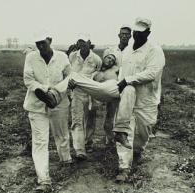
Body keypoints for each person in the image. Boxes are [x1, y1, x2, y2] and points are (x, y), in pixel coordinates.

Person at [113, 17, 166, 182]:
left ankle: (138, 150)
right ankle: (123, 167)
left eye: (141, 32)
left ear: (148, 33)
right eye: (135, 31)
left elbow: (152, 74)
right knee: (124, 130)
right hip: (128, 100)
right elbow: (122, 73)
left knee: (144, 132)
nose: (136, 35)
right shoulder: (127, 51)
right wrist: (120, 88)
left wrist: (128, 80)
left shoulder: (154, 51)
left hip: (146, 100)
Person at [23, 31, 73, 192]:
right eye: (37, 43)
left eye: (43, 42)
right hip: (37, 104)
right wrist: (44, 91)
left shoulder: (62, 57)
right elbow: (28, 80)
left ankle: (65, 159)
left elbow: (69, 76)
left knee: (62, 133)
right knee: (40, 142)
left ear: (50, 40)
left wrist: (61, 90)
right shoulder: (31, 57)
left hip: (59, 101)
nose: (40, 46)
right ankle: (44, 180)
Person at [69, 35, 102, 160]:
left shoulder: (96, 59)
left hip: (91, 92)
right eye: (79, 42)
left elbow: (99, 73)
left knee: (90, 119)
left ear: (89, 42)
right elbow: (68, 72)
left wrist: (94, 80)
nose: (82, 45)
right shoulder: (73, 56)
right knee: (77, 119)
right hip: (77, 91)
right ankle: (79, 149)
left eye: (84, 42)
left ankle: (88, 142)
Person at [103, 24, 132, 145]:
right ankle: (109, 139)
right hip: (113, 85)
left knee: (124, 113)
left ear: (130, 36)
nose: (124, 36)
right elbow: (105, 66)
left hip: (126, 85)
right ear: (119, 35)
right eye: (122, 34)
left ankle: (121, 138)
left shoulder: (132, 51)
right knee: (110, 112)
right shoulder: (111, 50)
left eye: (127, 34)